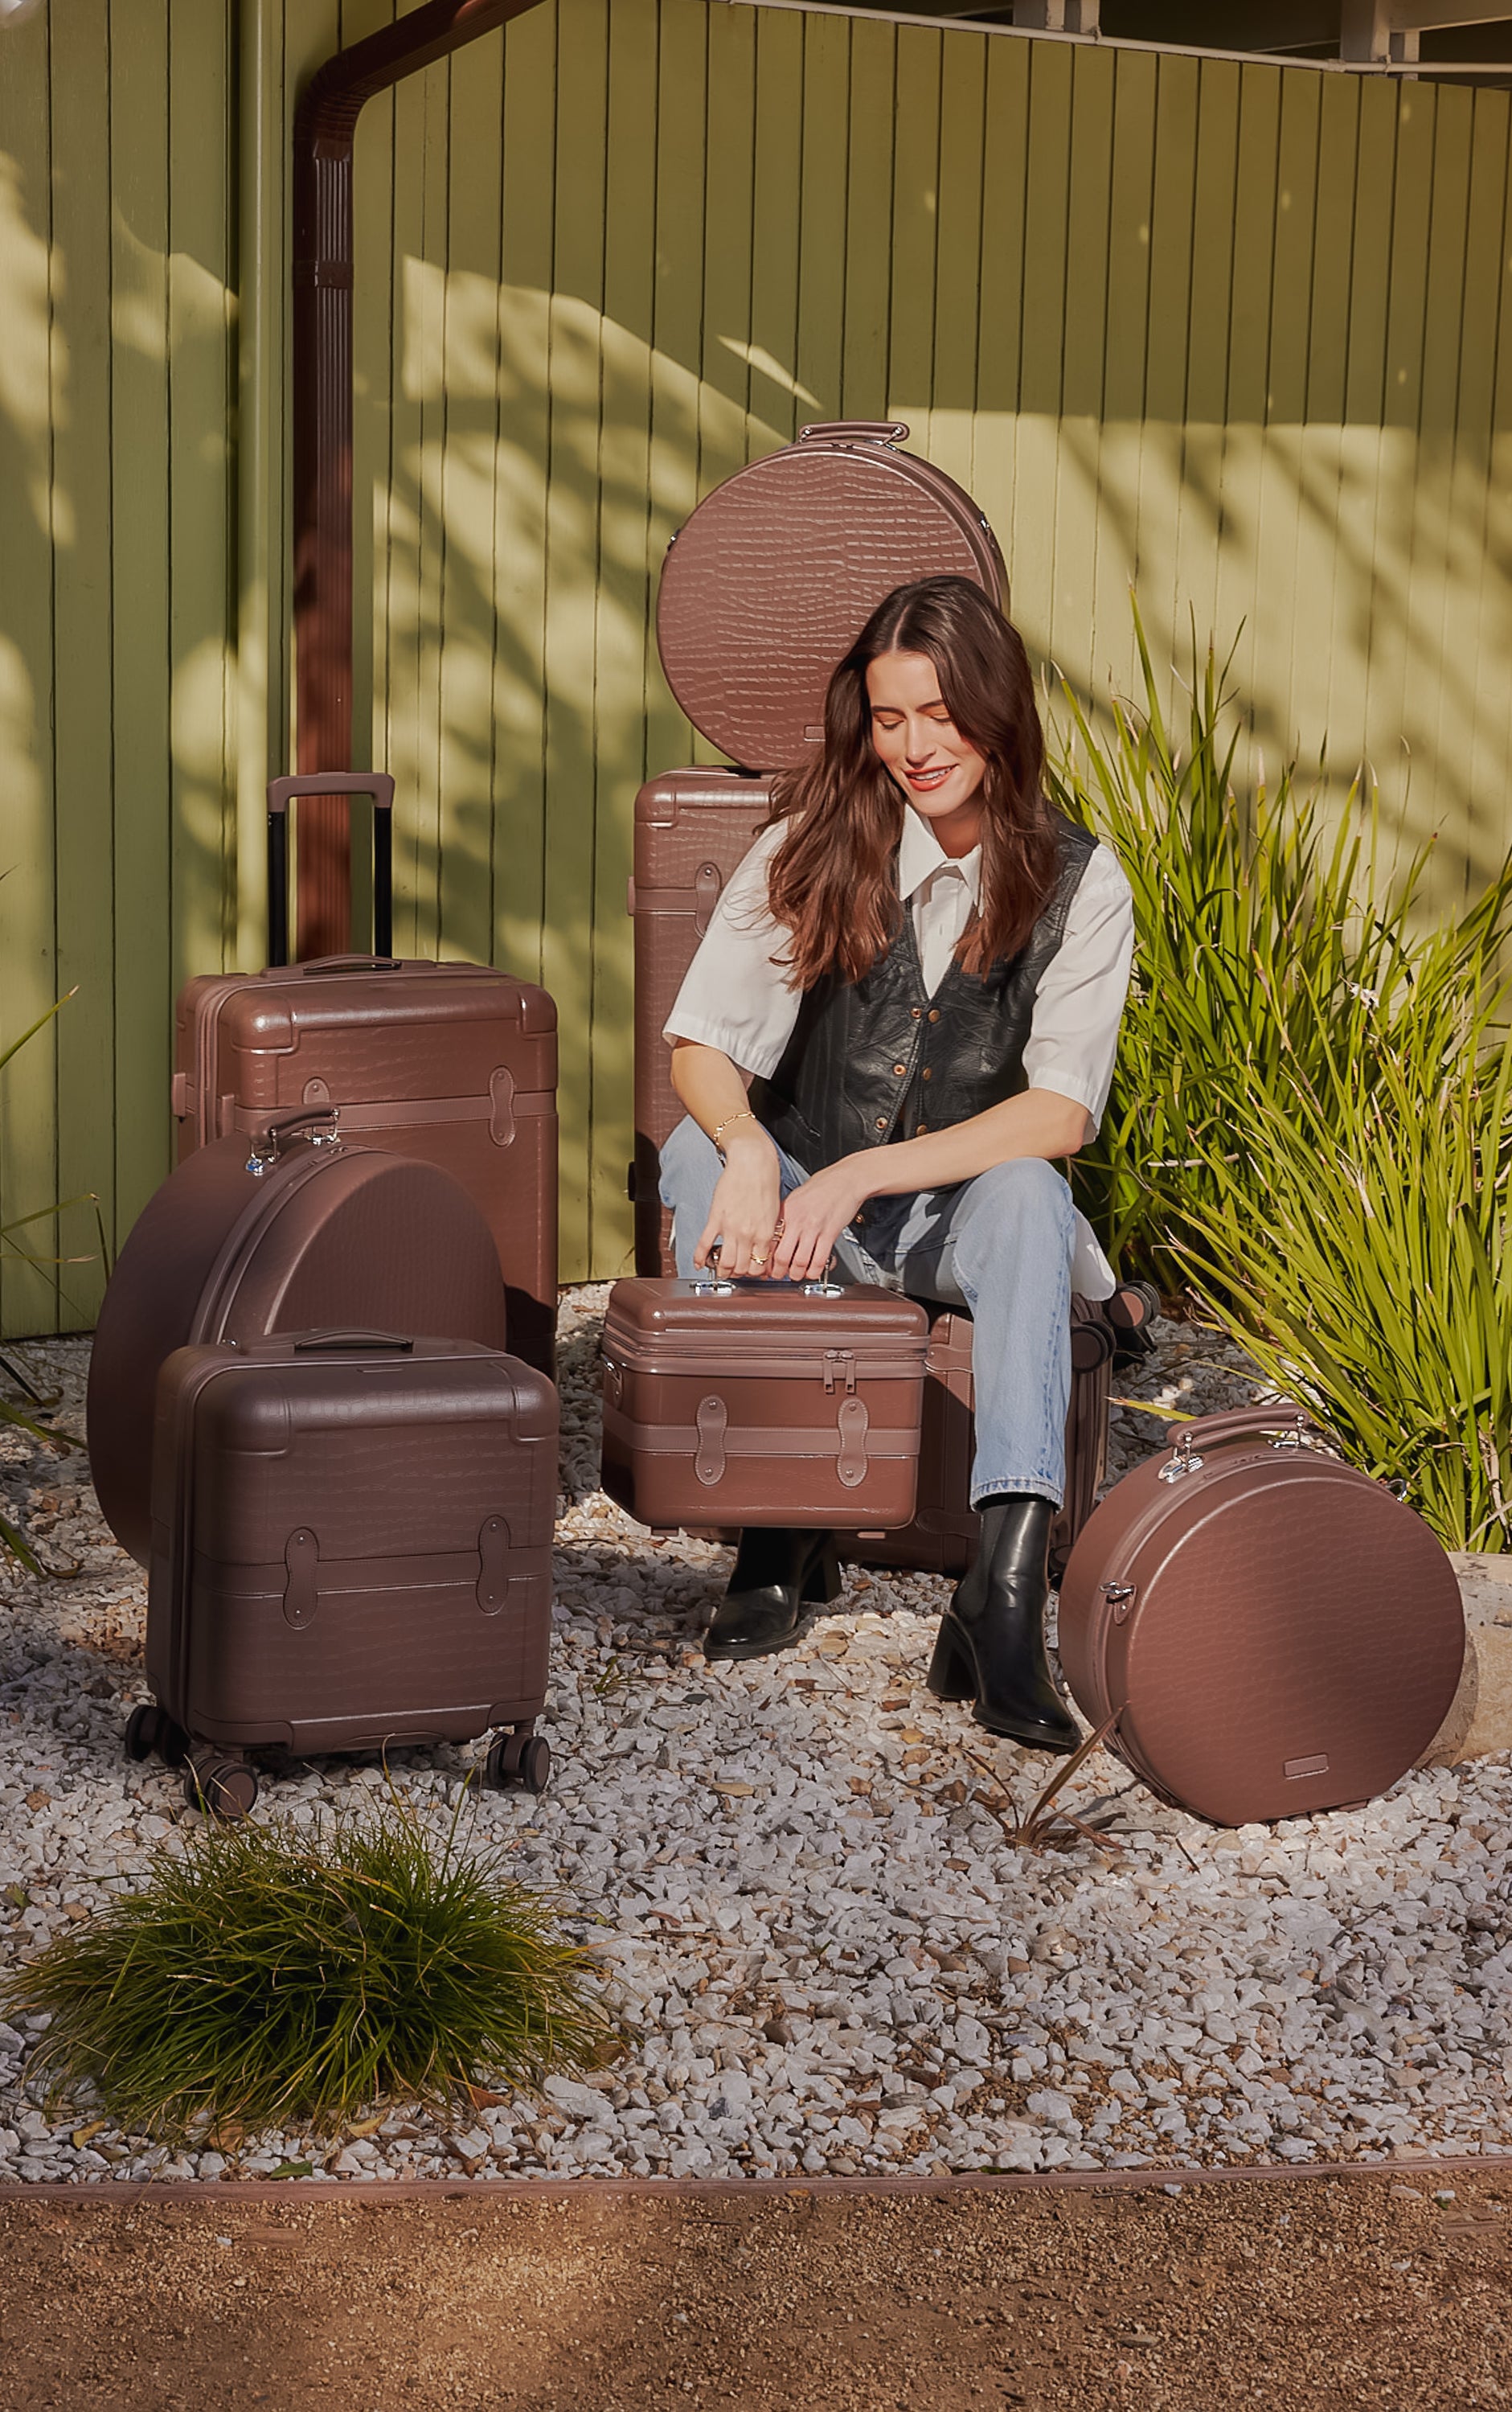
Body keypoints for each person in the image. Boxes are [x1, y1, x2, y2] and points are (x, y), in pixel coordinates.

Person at [658, 576, 1135, 1754]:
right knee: (687, 1156)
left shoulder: (1083, 882)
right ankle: (782, 1534)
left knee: (1028, 1193)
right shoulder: (807, 849)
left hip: (947, 1217)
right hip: (802, 1196)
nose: (916, 748)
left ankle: (1001, 1596)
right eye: (888, 719)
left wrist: (861, 1178)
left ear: (998, 711)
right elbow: (700, 1050)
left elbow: (1060, 1114)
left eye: (940, 714)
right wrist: (750, 1152)